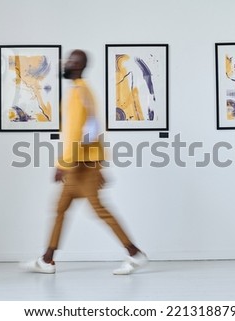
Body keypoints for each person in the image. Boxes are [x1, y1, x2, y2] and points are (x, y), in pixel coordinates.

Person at [23, 50, 148, 275]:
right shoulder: (83, 91)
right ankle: (47, 259)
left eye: (71, 61)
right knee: (60, 209)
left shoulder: (78, 94)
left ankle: (134, 253)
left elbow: (75, 132)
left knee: (99, 210)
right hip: (83, 163)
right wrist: (99, 162)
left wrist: (63, 163)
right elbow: (94, 129)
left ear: (78, 66)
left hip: (80, 165)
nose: (66, 63)